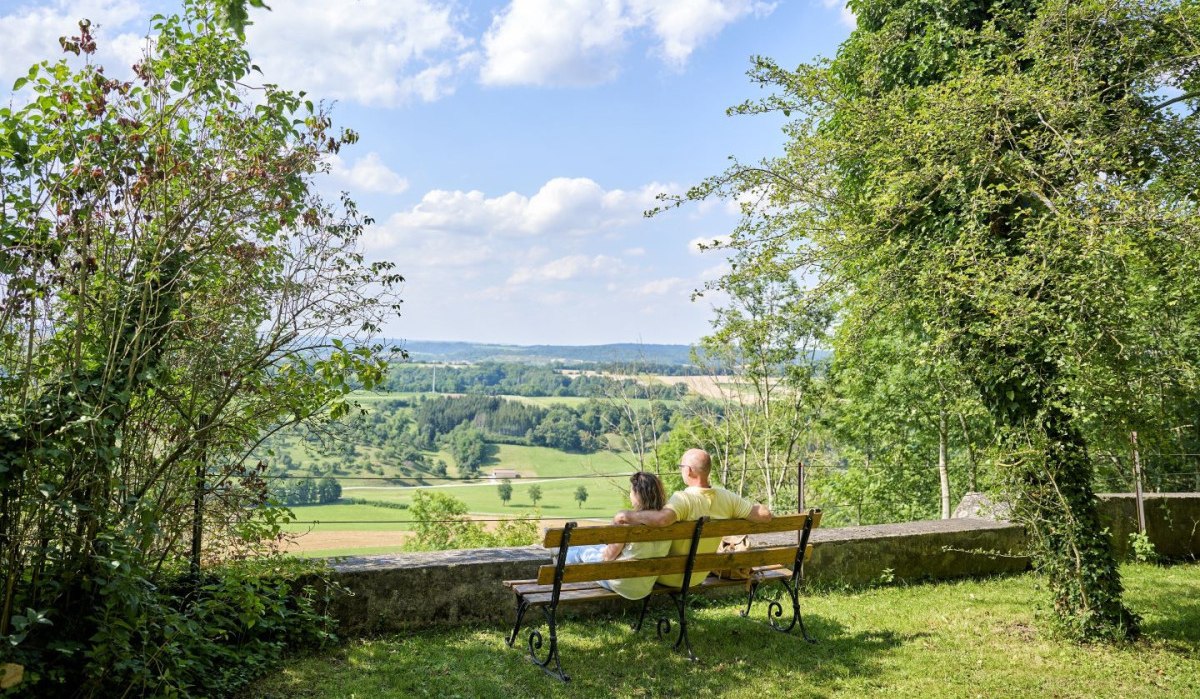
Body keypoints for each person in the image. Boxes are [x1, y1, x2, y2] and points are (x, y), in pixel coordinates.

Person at [614, 448, 771, 588]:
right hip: (699, 574)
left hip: (670, 575)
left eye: (681, 467)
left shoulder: (683, 499)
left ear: (688, 470)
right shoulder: (728, 498)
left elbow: (662, 520)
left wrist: (626, 515)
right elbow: (764, 515)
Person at [563, 471, 671, 600]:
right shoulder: (669, 524)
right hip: (645, 586)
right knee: (595, 547)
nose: (630, 495)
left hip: (622, 584)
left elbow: (608, 558)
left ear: (638, 495)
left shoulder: (627, 527)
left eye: (631, 492)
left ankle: (558, 559)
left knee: (580, 551)